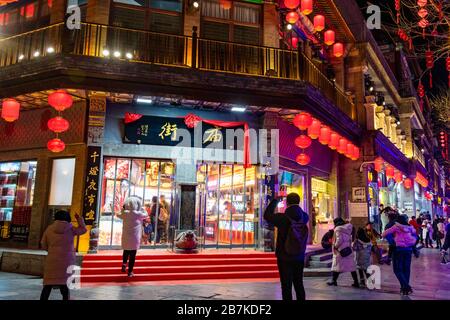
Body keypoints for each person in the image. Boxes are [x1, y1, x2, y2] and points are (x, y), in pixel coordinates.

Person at [264, 193, 309, 301]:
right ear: (299, 202)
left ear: (286, 202)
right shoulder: (305, 216)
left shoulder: (282, 218)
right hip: (299, 255)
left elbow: (267, 215)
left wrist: (275, 200)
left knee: (286, 285)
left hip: (284, 256)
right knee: (299, 284)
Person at [40, 210, 87, 300]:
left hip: (52, 261)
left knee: (47, 286)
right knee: (64, 286)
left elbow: (43, 244)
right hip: (66, 261)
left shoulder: (49, 228)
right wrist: (79, 219)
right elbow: (83, 230)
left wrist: (51, 251)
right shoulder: (71, 228)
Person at [382, 214, 417, 295]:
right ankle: (405, 289)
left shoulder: (395, 227)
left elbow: (384, 234)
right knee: (406, 269)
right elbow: (415, 235)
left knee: (397, 269)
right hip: (408, 250)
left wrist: (392, 239)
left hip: (399, 250)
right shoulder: (410, 227)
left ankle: (406, 286)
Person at [117, 196, 148, 277]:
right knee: (133, 255)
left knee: (126, 251)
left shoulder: (125, 214)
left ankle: (124, 263)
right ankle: (130, 272)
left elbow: (118, 214)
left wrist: (123, 209)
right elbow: (146, 214)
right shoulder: (138, 214)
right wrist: (142, 208)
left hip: (126, 237)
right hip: (135, 238)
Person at [327, 217, 359, 288]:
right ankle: (356, 282)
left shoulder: (338, 229)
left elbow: (339, 240)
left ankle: (334, 280)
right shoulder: (348, 228)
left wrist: (335, 246)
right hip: (348, 249)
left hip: (340, 250)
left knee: (337, 265)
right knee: (351, 267)